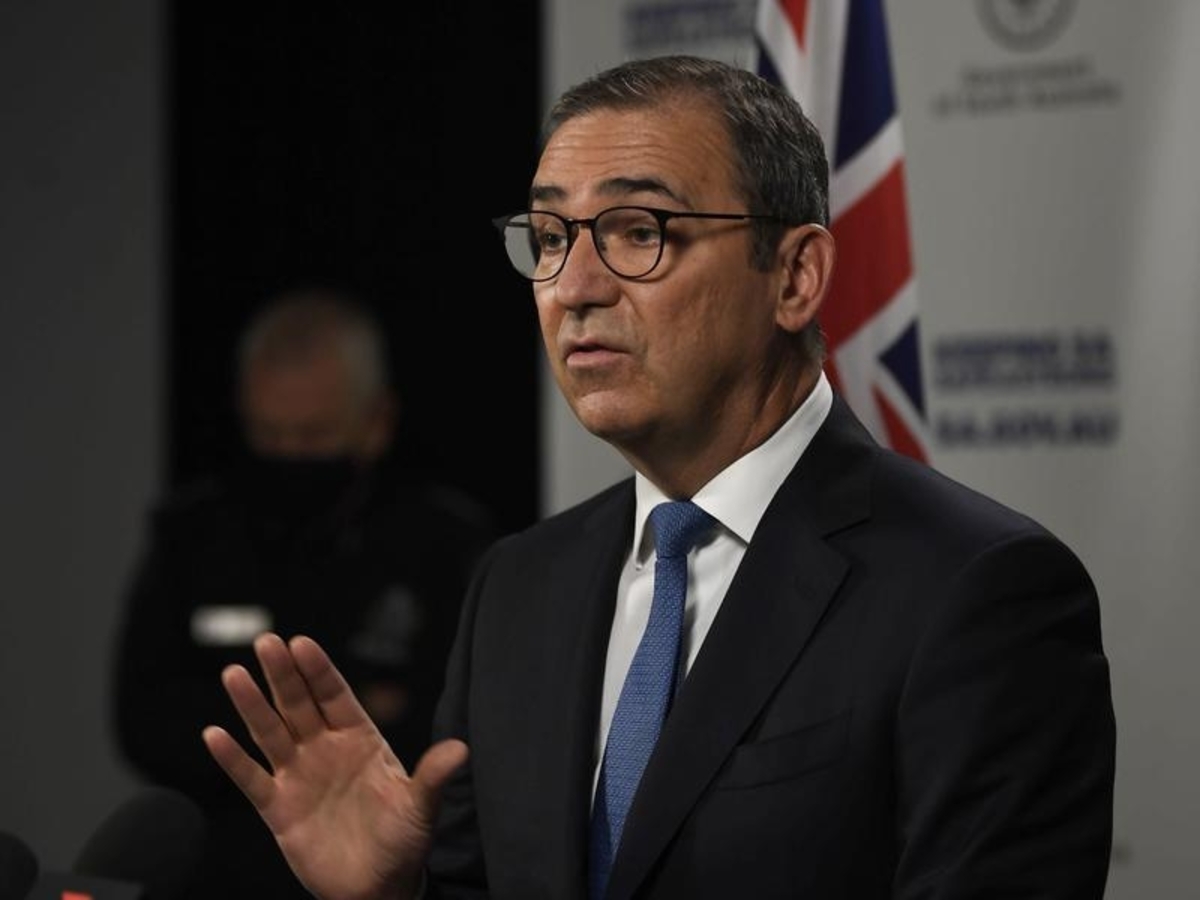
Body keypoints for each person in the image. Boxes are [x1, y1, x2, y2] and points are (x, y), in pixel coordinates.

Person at [201, 56, 1116, 900]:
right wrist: (399, 896)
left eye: (639, 231)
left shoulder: (976, 591)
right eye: (550, 237)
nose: (574, 288)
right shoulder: (518, 586)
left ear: (796, 277)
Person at [112, 286, 497, 900]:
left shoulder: (443, 545)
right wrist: (353, 709)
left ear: (376, 422)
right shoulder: (194, 535)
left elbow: (456, 726)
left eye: (313, 437)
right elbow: (145, 720)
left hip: (386, 872)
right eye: (270, 435)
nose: (290, 456)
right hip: (222, 874)